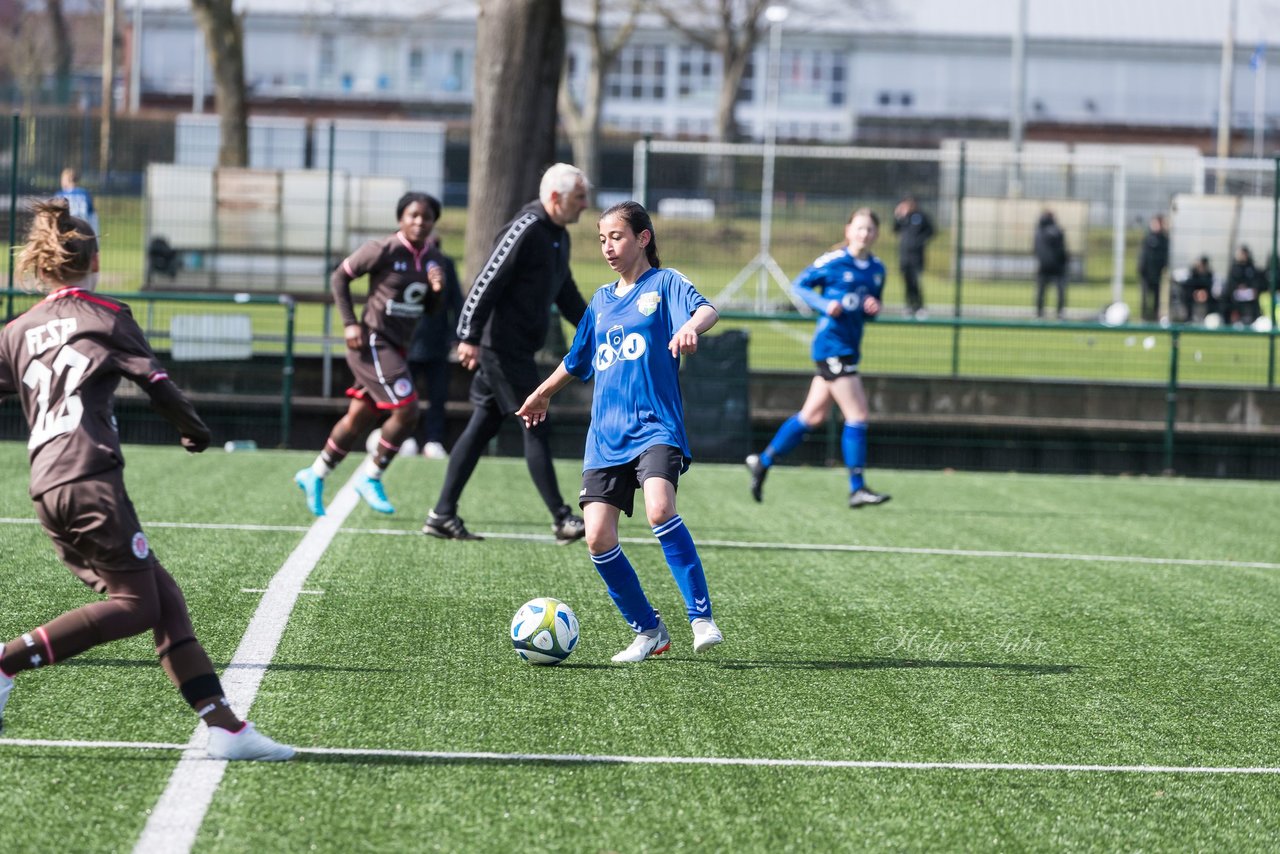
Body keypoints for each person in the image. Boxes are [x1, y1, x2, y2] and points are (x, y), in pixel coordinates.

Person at [0, 199, 292, 760]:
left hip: (44, 484)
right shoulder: (107, 315)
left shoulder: (16, 331)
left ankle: (226, 729)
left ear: (42, 266)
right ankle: (7, 661)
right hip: (89, 475)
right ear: (96, 260)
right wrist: (195, 430)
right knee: (136, 605)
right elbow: (157, 384)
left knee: (166, 601)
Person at [516, 201, 722, 662]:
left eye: (618, 237)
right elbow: (577, 359)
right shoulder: (602, 301)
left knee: (659, 508)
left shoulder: (665, 284)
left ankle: (700, 617)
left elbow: (707, 310)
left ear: (643, 238)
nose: (609, 246)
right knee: (597, 537)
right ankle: (649, 631)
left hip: (655, 426)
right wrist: (543, 393)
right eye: (602, 238)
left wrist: (689, 327)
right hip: (606, 437)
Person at [422, 163, 591, 544]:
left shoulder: (558, 236)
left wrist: (595, 328)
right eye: (579, 197)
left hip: (518, 350)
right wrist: (468, 335)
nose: (585, 204)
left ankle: (442, 514)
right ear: (554, 197)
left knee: (482, 425)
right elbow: (486, 280)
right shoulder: (527, 228)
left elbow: (566, 293)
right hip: (501, 349)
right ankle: (562, 518)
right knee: (537, 422)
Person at [294, 192, 445, 516]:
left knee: (358, 418)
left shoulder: (433, 257)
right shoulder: (383, 249)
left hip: (397, 348)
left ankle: (315, 473)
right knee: (408, 409)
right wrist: (350, 323)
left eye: (427, 217)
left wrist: (437, 290)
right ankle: (371, 476)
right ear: (400, 219)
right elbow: (340, 277)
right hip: (374, 343)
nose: (420, 222)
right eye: (413, 215)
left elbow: (429, 310)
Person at [745, 207, 891, 510]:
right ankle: (857, 487)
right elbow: (799, 285)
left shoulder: (877, 269)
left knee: (811, 417)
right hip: (831, 346)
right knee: (858, 415)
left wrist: (872, 308)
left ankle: (763, 460)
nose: (865, 234)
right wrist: (825, 304)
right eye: (859, 228)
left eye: (870, 230)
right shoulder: (834, 261)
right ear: (848, 230)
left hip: (849, 346)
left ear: (876, 234)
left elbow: (870, 309)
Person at [407, 229, 463, 461]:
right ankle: (404, 438)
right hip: (406, 343)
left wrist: (456, 336)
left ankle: (434, 440)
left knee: (438, 396)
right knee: (404, 397)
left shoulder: (446, 265)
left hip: (437, 344)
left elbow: (456, 302)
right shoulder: (405, 264)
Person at [892, 196, 935, 318]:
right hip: (904, 255)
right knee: (907, 282)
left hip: (917, 256)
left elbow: (931, 231)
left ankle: (919, 306)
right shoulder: (903, 217)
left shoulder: (921, 216)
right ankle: (909, 306)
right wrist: (898, 216)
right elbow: (895, 229)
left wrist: (920, 241)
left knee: (916, 281)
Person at [1033, 209, 1069, 320]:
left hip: (1047, 268)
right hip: (1056, 268)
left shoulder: (1039, 232)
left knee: (1042, 292)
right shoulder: (1057, 231)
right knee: (1057, 292)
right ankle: (1057, 313)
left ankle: (1041, 313)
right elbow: (1062, 250)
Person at [1137, 214, 1169, 322]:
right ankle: (1144, 316)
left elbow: (1165, 256)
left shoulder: (1164, 240)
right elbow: (1142, 254)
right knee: (1145, 296)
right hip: (1146, 272)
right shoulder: (1147, 238)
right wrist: (1141, 267)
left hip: (1157, 272)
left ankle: (1155, 316)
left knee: (1156, 296)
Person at [1225, 244, 1263, 326]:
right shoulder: (1234, 268)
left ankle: (1254, 319)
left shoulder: (1251, 267)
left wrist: (1252, 288)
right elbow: (1231, 282)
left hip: (1249, 292)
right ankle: (1233, 319)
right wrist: (1238, 287)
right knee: (1227, 298)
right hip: (1236, 292)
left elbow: (1255, 281)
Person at [55, 168, 98, 234]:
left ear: (66, 180)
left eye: (62, 180)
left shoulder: (60, 195)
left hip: (66, 232)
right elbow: (92, 216)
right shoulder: (85, 194)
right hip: (83, 231)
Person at [1177, 255, 1216, 323]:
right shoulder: (1193, 272)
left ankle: (1210, 317)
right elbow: (1189, 284)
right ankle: (1189, 318)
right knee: (1187, 296)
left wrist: (1203, 293)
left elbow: (1209, 286)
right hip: (1193, 294)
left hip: (1205, 295)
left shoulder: (1209, 274)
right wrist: (1196, 293)